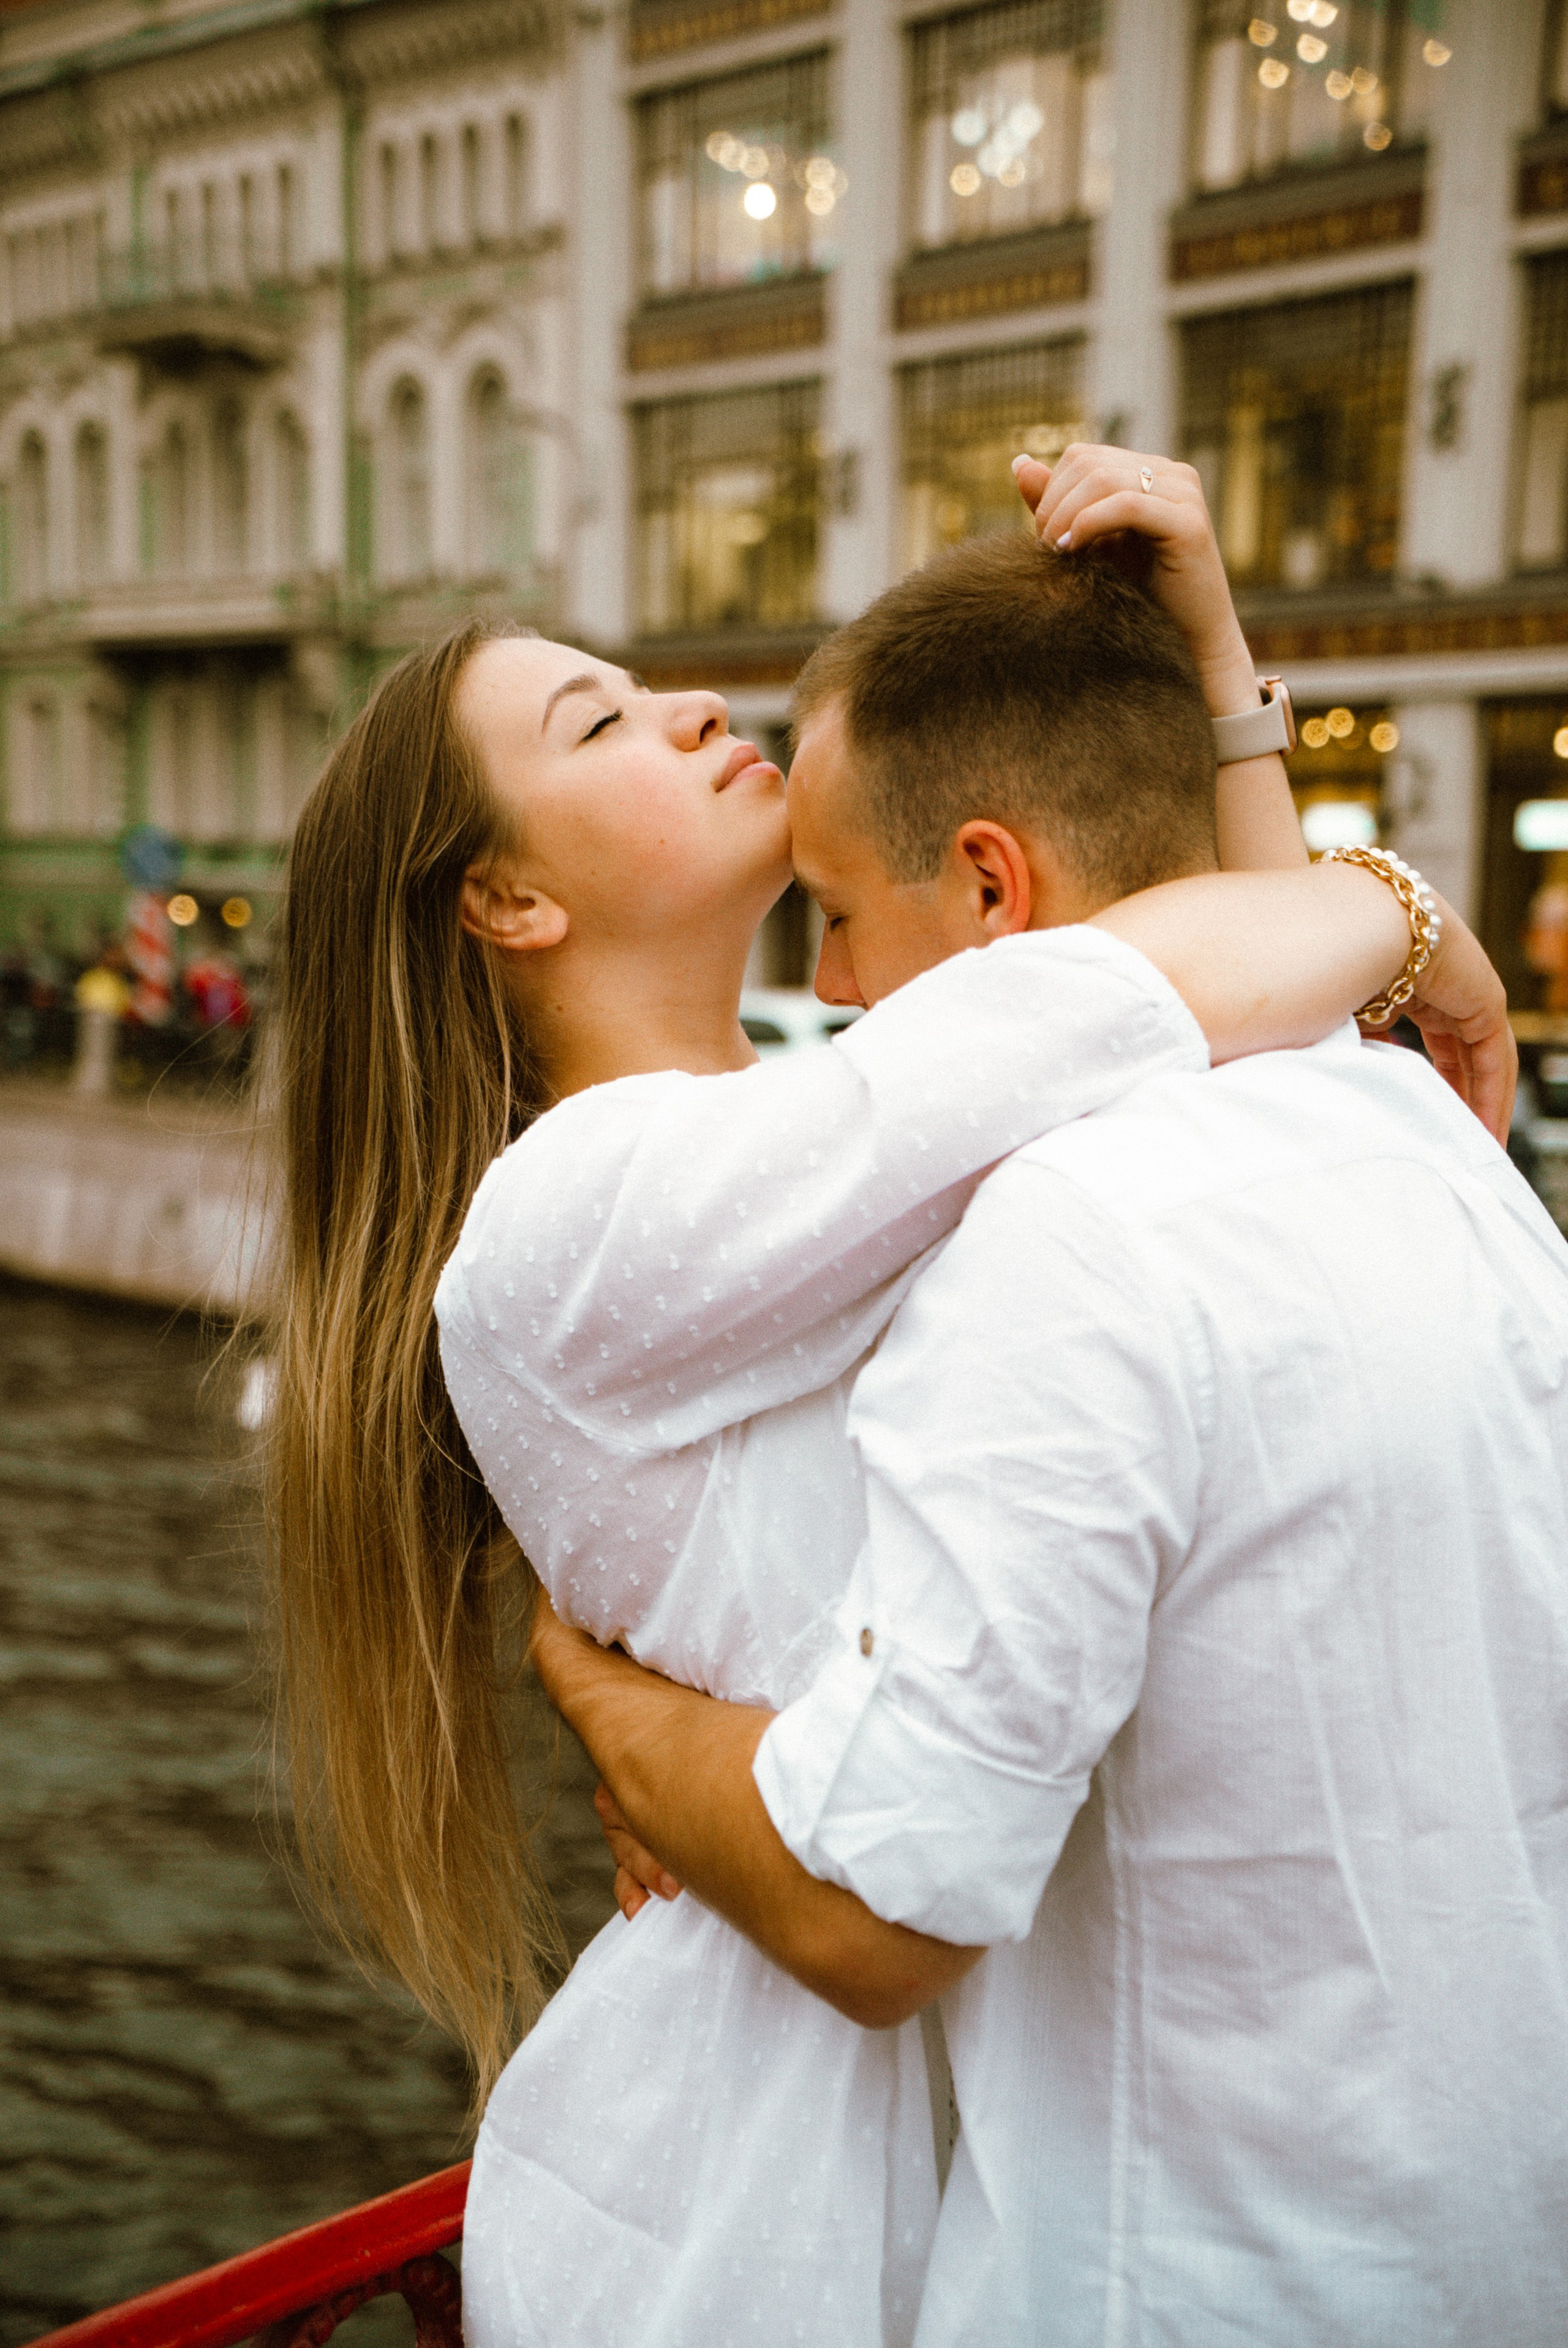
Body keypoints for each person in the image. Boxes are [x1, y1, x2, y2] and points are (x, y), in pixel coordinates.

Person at [265, 447, 1510, 2347]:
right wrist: (1409, 917)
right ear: (507, 895)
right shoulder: (566, 1220)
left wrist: (1223, 675)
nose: (688, 698)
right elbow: (1151, 987)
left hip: (978, 2123)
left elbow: (1232, 1058)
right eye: (597, 715)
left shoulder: (837, 1149)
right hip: (747, 2193)